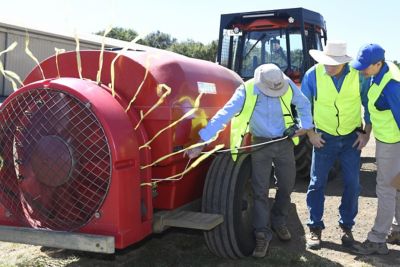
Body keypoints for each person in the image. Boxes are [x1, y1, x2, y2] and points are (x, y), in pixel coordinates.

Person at [186, 64, 313, 258]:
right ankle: (262, 234)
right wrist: (203, 141)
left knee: (287, 186)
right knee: (259, 190)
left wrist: (304, 126)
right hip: (260, 144)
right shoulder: (247, 89)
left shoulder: (286, 84)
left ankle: (279, 221)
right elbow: (225, 114)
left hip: (284, 142)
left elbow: (304, 103)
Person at [301, 41, 372, 250]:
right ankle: (314, 228)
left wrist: (367, 133)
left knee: (353, 184)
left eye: (332, 64)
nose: (327, 67)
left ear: (343, 62)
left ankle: (346, 227)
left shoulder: (358, 76)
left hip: (351, 138)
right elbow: (304, 107)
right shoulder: (312, 75)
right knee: (316, 183)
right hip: (324, 138)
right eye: (325, 62)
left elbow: (369, 105)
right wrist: (311, 134)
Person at [351, 44, 400, 255]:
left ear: (378, 64)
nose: (361, 70)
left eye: (365, 67)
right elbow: (372, 110)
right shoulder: (377, 75)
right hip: (386, 139)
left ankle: (378, 238)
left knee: (386, 189)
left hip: (392, 143)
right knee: (396, 186)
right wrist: (367, 132)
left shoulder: (392, 87)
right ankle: (398, 229)